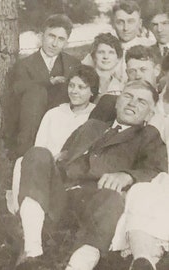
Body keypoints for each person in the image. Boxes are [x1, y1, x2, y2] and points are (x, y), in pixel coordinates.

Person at [15, 80, 167, 270]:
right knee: (38, 153)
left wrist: (127, 175)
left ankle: (79, 265)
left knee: (111, 197)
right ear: (117, 102)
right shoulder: (92, 126)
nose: (132, 103)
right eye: (128, 96)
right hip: (61, 194)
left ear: (150, 114)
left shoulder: (148, 136)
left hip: (96, 200)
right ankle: (32, 252)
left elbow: (157, 171)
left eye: (141, 101)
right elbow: (64, 155)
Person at [8, 65, 99, 214]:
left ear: (92, 92)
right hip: (47, 167)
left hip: (73, 170)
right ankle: (23, 213)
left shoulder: (95, 116)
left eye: (81, 87)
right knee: (21, 162)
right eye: (71, 85)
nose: (74, 91)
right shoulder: (54, 113)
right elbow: (39, 147)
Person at [4, 14, 80, 157]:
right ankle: (25, 156)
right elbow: (18, 89)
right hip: (32, 125)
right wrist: (48, 82)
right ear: (41, 36)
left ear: (66, 42)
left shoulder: (73, 64)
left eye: (61, 39)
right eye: (51, 36)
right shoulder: (24, 65)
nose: (54, 43)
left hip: (62, 125)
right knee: (35, 93)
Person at [89, 45, 161, 123]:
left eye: (143, 70)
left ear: (157, 70)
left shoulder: (164, 104)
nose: (137, 76)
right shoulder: (109, 103)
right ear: (127, 73)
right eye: (132, 71)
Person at [89, 33, 124, 102]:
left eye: (111, 52)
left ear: (118, 58)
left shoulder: (121, 88)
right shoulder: (85, 82)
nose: (106, 57)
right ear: (94, 57)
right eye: (101, 52)